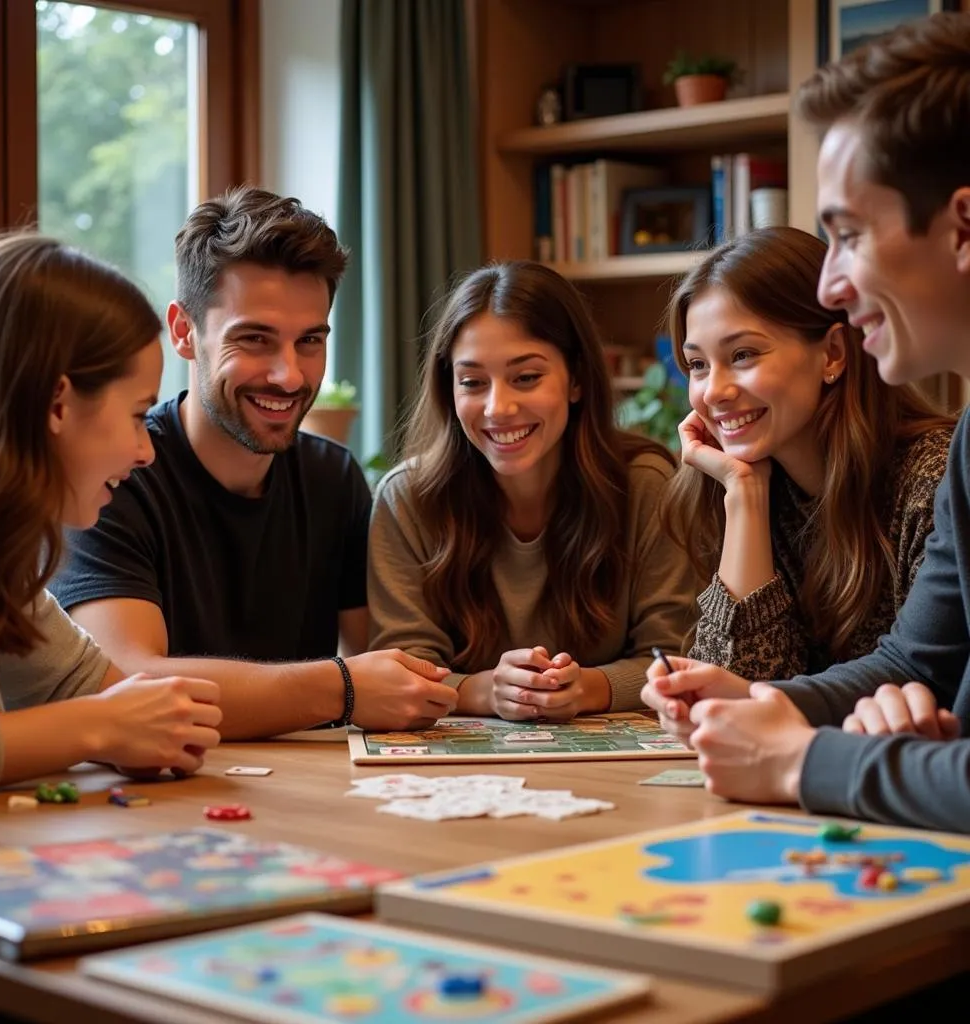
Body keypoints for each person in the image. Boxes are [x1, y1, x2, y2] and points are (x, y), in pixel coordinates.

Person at [640, 10, 970, 833]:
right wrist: (757, 701)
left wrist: (799, 759)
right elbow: (909, 663)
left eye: (848, 235)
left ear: (963, 226)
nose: (830, 285)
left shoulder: (931, 464)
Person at [49, 186, 457, 736]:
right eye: (255, 339)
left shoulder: (333, 477)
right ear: (183, 331)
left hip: (303, 797)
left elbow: (392, 667)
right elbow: (129, 680)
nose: (289, 375)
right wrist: (343, 688)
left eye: (310, 340)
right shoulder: (116, 474)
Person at [0, 232, 222, 796]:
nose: (146, 451)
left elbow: (87, 686)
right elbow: (99, 712)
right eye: (139, 415)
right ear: (58, 404)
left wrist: (146, 725)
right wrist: (99, 728)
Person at [368, 260, 698, 721]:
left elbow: (675, 656)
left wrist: (588, 688)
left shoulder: (647, 484)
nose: (498, 407)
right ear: (449, 388)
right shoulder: (407, 497)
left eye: (526, 377)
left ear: (577, 379)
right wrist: (485, 692)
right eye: (472, 382)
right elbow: (400, 669)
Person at [663, 225, 953, 681]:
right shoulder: (748, 489)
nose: (713, 392)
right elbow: (731, 694)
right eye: (698, 364)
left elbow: (930, 684)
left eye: (743, 355)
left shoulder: (933, 481)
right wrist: (745, 495)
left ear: (833, 353)